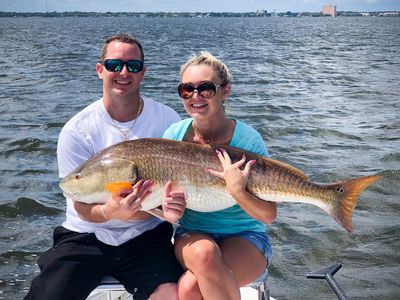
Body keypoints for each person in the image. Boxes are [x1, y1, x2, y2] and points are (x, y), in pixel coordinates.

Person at [24, 33, 186, 300]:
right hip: (86, 236)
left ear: (143, 72)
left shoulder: (166, 119)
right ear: (100, 70)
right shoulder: (77, 130)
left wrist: (160, 209)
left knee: (173, 293)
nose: (123, 72)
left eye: (133, 66)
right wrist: (111, 211)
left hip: (147, 236)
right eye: (114, 65)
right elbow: (80, 205)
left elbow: (179, 183)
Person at [162, 51, 277, 300]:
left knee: (190, 288)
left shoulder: (248, 140)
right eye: (186, 89)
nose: (195, 96)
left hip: (245, 235)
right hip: (192, 233)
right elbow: (162, 202)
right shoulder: (173, 135)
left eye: (205, 88)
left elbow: (268, 215)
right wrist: (168, 209)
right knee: (204, 254)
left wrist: (237, 190)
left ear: (225, 91)